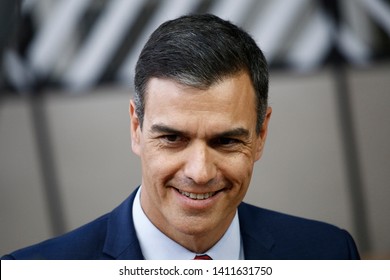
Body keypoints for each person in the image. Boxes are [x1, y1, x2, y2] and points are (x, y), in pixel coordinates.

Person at [2, 14, 359, 260]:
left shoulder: (328, 253)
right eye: (173, 138)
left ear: (261, 133)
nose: (200, 173)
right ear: (136, 128)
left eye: (226, 141)